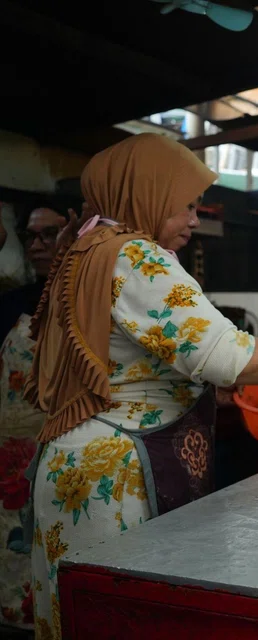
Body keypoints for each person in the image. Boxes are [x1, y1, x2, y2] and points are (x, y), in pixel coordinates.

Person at [26, 134, 258, 638]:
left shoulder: (84, 252)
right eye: (183, 205)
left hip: (75, 465)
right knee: (126, 617)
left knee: (83, 614)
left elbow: (129, 359)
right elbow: (226, 354)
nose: (193, 220)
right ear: (145, 194)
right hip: (118, 474)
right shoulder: (135, 255)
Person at [0, 199, 69, 633]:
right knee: (13, 553)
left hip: (65, 450)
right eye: (31, 236)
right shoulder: (10, 304)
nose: (38, 245)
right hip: (9, 458)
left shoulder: (86, 299)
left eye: (50, 233)